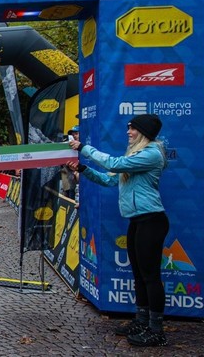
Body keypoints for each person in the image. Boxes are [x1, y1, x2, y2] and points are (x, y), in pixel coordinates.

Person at [68, 114, 169, 347]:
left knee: (150, 277)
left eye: (132, 128)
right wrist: (84, 169)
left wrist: (84, 147)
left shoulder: (152, 153)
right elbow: (109, 180)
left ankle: (156, 330)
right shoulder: (134, 154)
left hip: (151, 220)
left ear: (143, 132)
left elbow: (113, 164)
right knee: (139, 275)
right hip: (137, 221)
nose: (128, 132)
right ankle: (141, 321)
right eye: (128, 128)